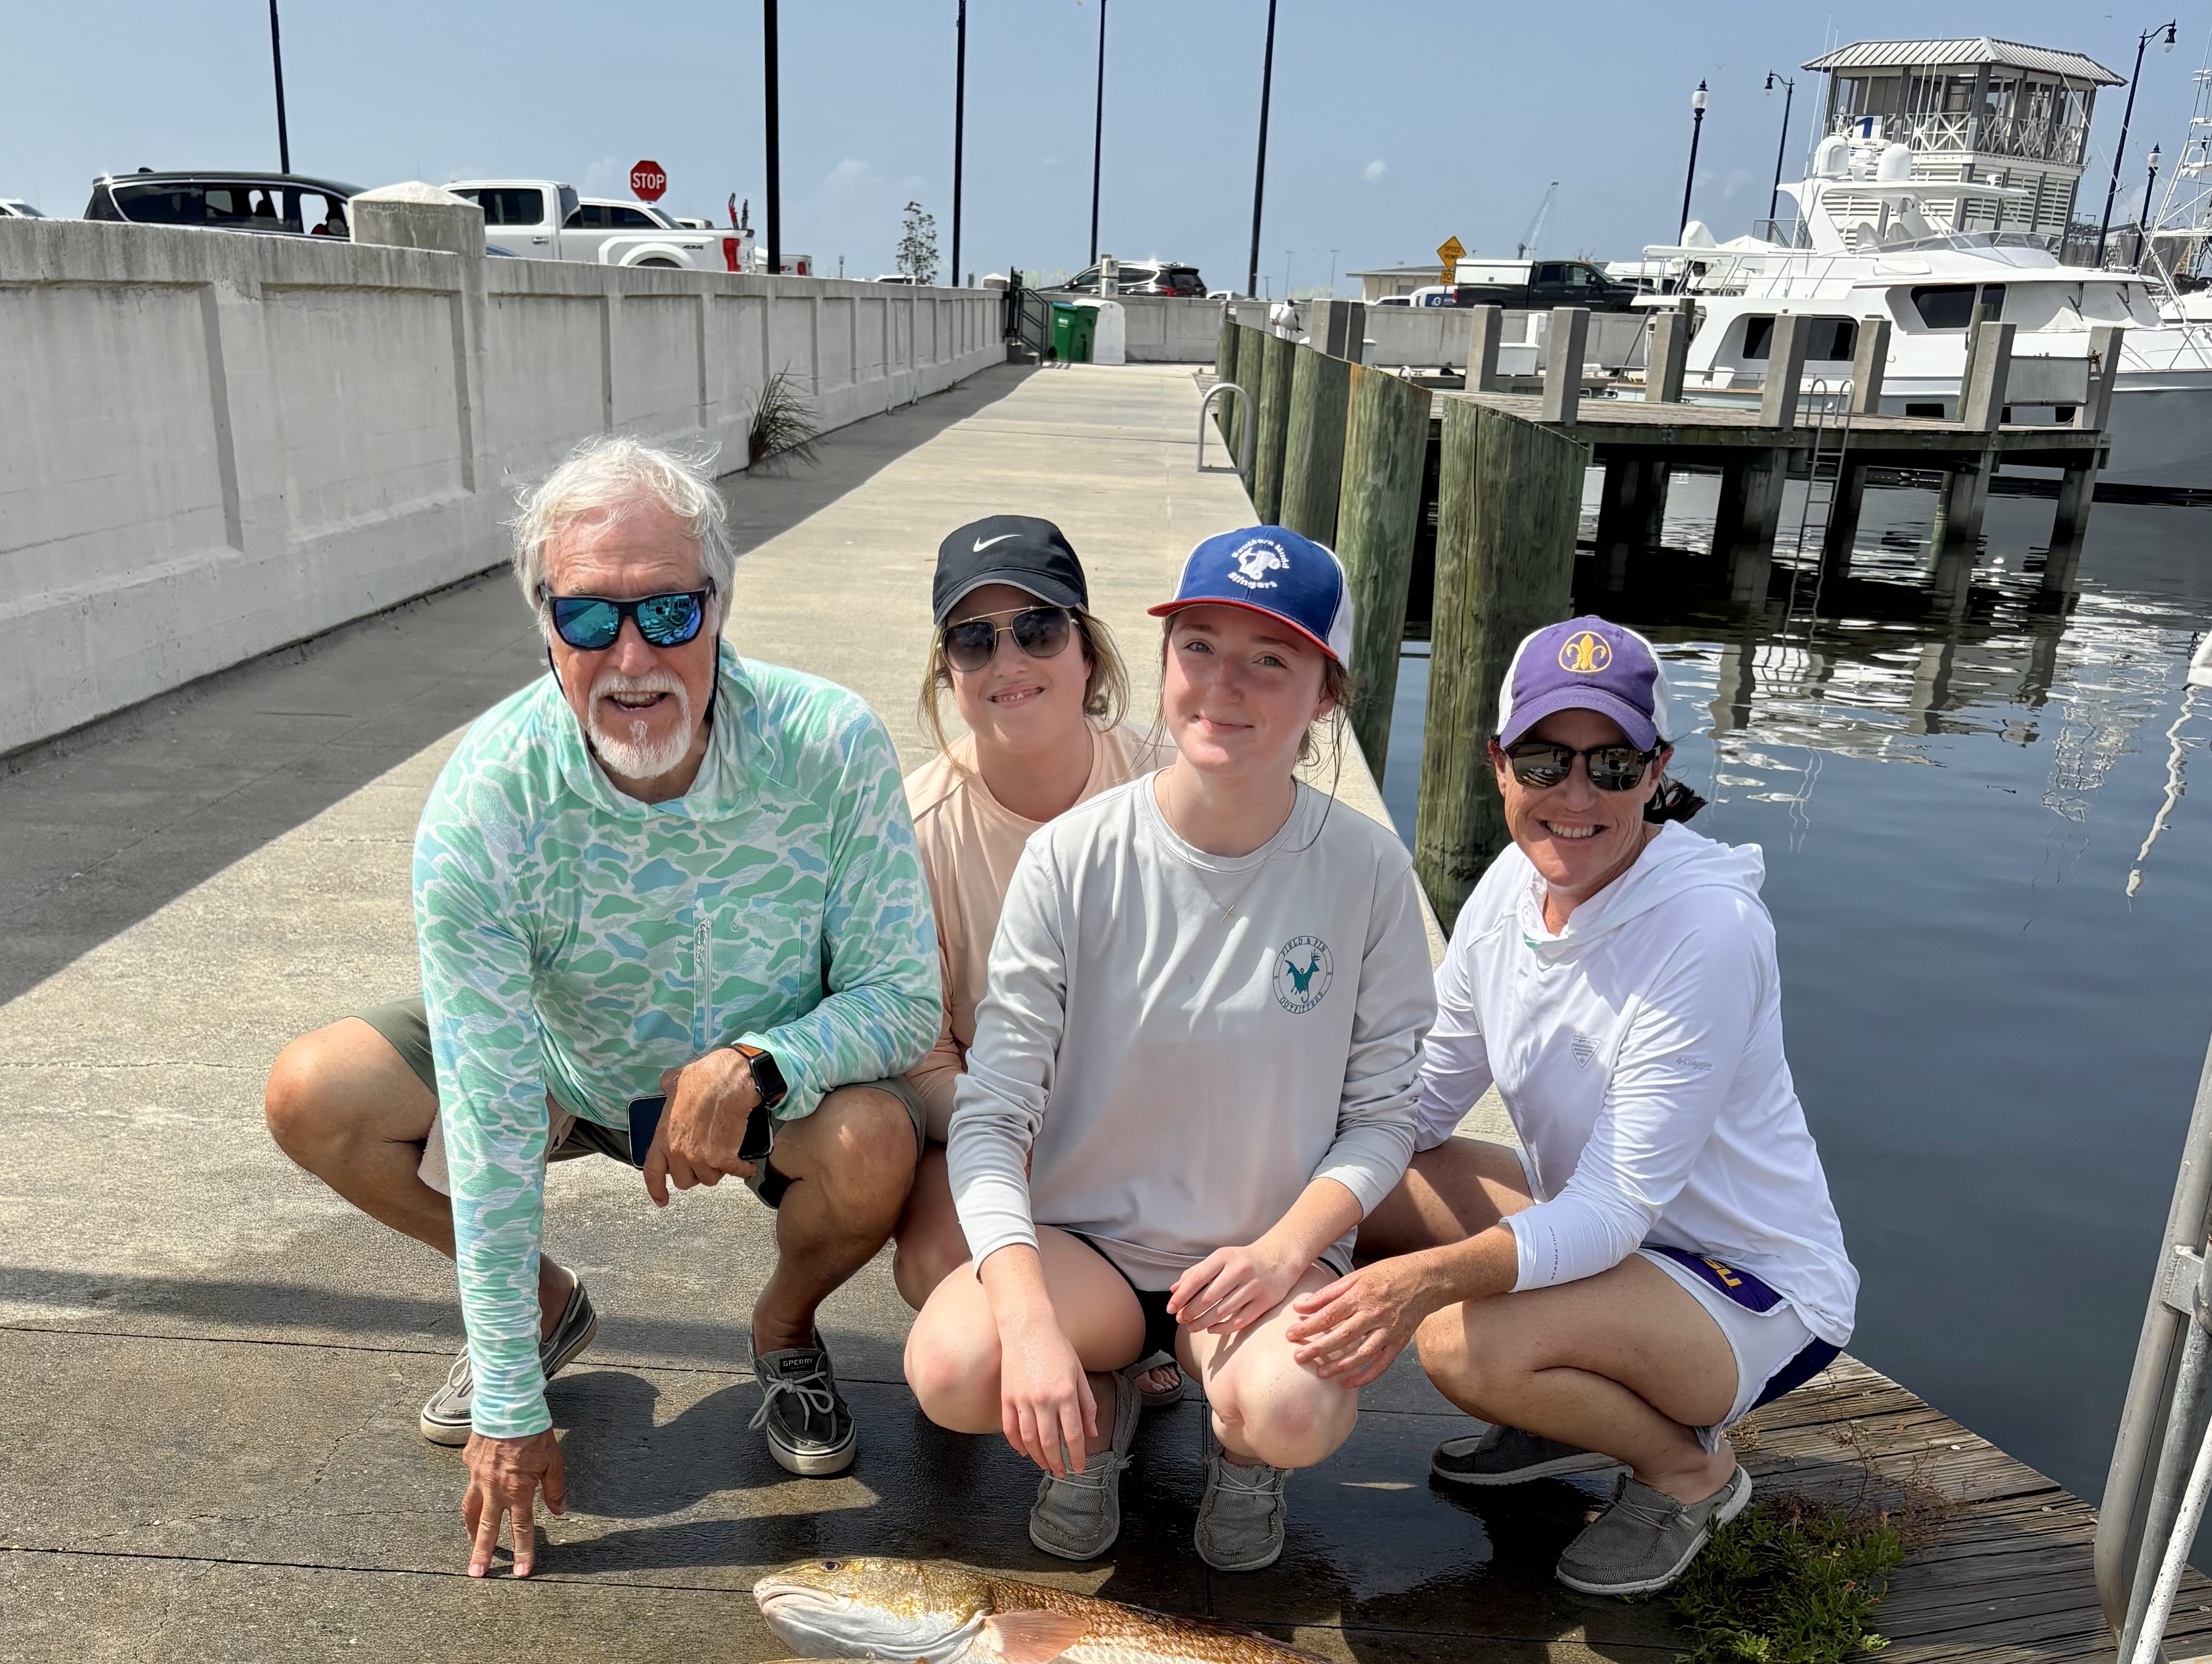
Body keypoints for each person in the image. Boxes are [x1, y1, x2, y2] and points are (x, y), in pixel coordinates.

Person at [263, 434, 939, 1577]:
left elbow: (902, 998)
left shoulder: (829, 743)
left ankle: (783, 1333)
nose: (632, 655)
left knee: (877, 1144)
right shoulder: (485, 800)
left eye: (670, 614)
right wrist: (512, 1405)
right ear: (544, 626)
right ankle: (539, 1309)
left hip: (757, 1090)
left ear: (720, 605)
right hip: (560, 1071)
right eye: (589, 620)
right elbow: (482, 1114)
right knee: (314, 1093)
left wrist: (757, 1063)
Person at [1289, 615, 1856, 1599]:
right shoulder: (1512, 882)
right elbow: (1423, 1097)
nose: (1577, 796)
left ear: (1658, 769)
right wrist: (1285, 1199)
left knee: (1462, 1341)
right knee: (1357, 1176)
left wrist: (1416, 1282)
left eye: (1614, 764)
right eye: (1546, 761)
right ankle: (1558, 1408)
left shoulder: (1707, 933)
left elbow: (1614, 1210)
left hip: (1746, 1285)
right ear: (1499, 764)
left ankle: (1690, 1474)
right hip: (1603, 1238)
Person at [905, 527, 1434, 1574]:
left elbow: (1383, 1117)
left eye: (1269, 660)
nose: (1222, 686)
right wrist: (1027, 1319)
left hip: (1259, 1257)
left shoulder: (1368, 869)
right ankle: (1095, 1410)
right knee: (957, 1365)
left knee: (1294, 1409)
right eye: (1197, 646)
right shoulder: (1071, 857)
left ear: (1327, 694)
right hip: (1087, 1246)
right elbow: (993, 1113)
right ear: (1158, 662)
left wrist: (1289, 1251)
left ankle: (1244, 1454)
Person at [894, 513, 1179, 1410]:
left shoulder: (1175, 785)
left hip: (1164, 1123)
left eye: (1039, 629)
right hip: (998, 1123)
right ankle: (1099, 1386)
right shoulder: (915, 832)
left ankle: (1126, 1333)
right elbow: (927, 1052)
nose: (1008, 662)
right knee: (939, 1261)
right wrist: (1019, 1127)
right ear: (949, 672)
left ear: (1088, 653)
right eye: (973, 641)